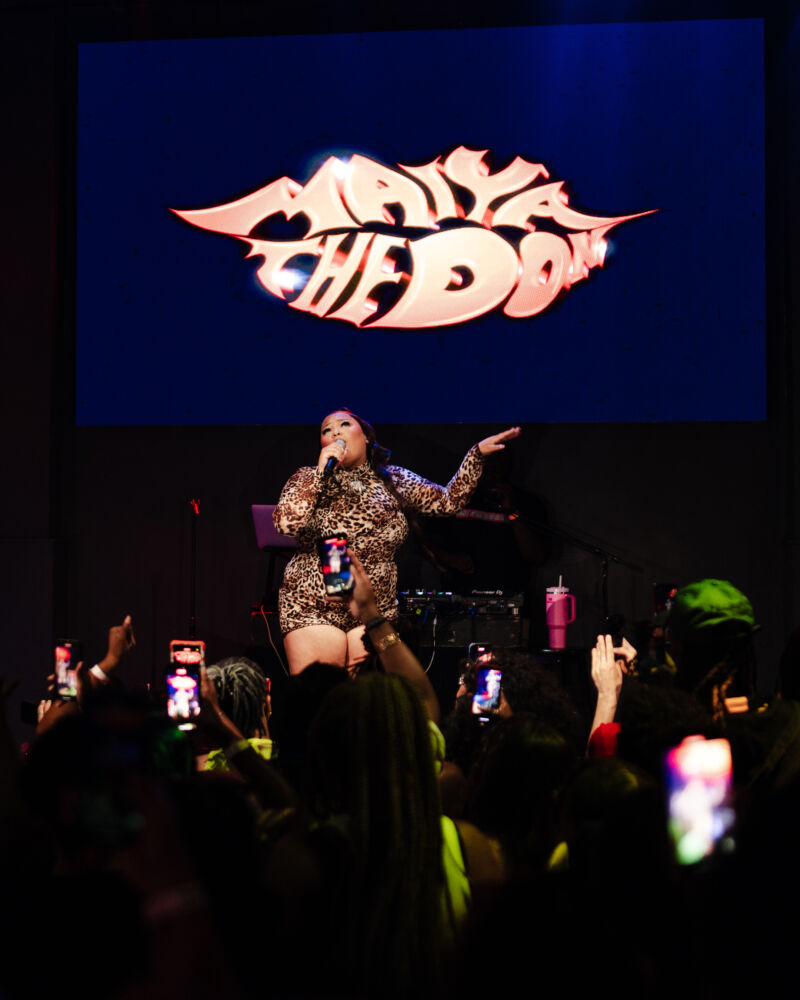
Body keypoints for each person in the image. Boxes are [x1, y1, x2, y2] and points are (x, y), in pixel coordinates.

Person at [273, 408, 520, 673]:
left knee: (376, 695)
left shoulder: (394, 479)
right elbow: (287, 524)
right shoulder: (307, 478)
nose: (335, 432)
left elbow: (448, 502)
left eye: (344, 424)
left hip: (375, 611)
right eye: (326, 430)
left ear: (366, 437)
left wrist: (476, 455)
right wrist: (320, 475)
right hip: (313, 607)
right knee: (322, 693)